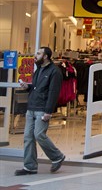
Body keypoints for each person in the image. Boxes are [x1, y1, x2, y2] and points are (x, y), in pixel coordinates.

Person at [15, 47, 66, 175]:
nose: (35, 55)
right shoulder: (38, 70)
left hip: (42, 109)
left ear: (46, 56)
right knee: (28, 137)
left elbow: (53, 93)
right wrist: (28, 87)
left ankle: (57, 156)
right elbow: (36, 87)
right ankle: (30, 167)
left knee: (39, 135)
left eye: (38, 53)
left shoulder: (55, 72)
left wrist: (48, 111)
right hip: (31, 107)